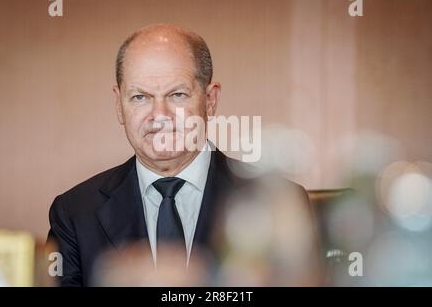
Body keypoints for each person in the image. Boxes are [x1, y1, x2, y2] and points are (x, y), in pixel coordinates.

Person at [47, 23, 309, 286]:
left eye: (177, 94)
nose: (160, 116)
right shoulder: (74, 212)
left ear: (210, 100)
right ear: (119, 105)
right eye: (140, 97)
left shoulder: (274, 202)